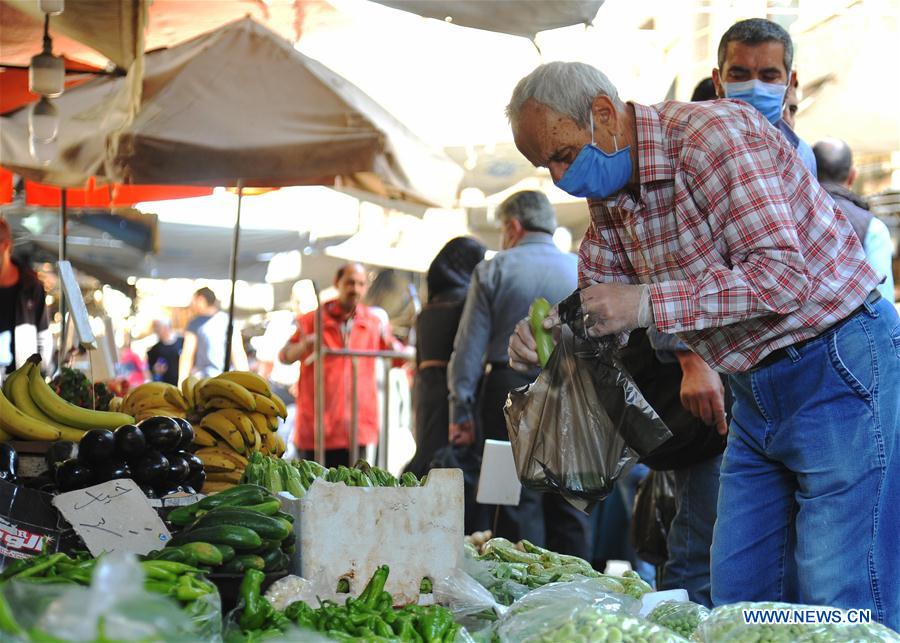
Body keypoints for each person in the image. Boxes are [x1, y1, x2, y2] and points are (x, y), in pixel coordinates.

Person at [505, 61, 899, 627]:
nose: (559, 176)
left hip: (835, 362)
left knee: (840, 597)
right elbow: (600, 288)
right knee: (739, 598)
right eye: (546, 165)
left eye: (563, 154)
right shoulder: (613, 187)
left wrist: (645, 303)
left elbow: (782, 278)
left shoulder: (713, 139)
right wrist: (555, 331)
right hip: (754, 388)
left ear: (603, 115)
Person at [448, 190, 592, 559]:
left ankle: (520, 594)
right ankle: (576, 591)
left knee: (517, 497)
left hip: (510, 385)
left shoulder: (494, 269)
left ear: (513, 226)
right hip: (574, 382)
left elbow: (468, 349)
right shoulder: (579, 267)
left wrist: (460, 410)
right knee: (570, 496)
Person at [279, 263, 408, 467]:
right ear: (337, 283)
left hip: (357, 430)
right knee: (314, 493)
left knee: (354, 492)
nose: (354, 289)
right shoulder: (312, 320)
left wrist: (397, 344)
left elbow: (399, 358)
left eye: (360, 284)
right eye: (349, 283)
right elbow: (284, 356)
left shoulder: (374, 323)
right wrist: (305, 345)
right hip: (317, 430)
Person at [405, 237, 486, 477]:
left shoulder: (425, 312)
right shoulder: (468, 304)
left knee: (431, 459)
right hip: (456, 394)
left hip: (427, 395)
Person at [712, 18, 817, 174]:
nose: (755, 87)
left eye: (769, 76)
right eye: (739, 75)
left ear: (790, 81)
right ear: (718, 82)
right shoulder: (689, 148)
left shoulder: (802, 157)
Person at [813, 138, 894, 302]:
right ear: (852, 176)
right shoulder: (872, 227)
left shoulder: (792, 214)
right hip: (857, 325)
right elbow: (883, 299)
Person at [0, 217, 51, 378]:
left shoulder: (31, 286)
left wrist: (40, 376)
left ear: (6, 245)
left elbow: (43, 337)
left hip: (22, 382)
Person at [178, 287, 248, 382]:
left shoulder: (195, 324)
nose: (192, 305)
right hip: (226, 380)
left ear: (201, 300)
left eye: (193, 301)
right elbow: (238, 354)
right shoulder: (228, 320)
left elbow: (187, 355)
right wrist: (246, 380)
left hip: (202, 380)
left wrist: (182, 381)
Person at [147, 320, 184, 386]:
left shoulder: (183, 341)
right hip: (166, 386)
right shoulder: (154, 349)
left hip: (183, 382)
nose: (156, 331)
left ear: (166, 327)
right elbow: (150, 369)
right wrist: (155, 370)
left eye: (158, 328)